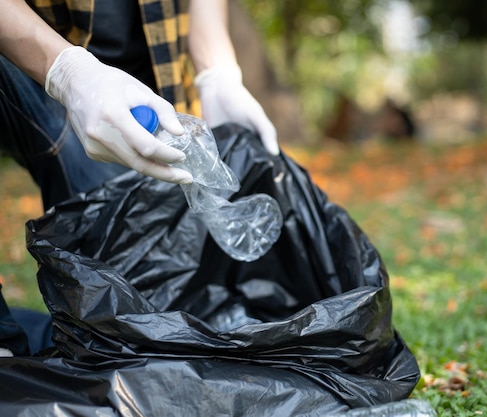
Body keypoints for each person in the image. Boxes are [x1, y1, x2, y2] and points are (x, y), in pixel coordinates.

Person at [0, 0, 278, 356]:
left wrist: (217, 72)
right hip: (26, 58)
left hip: (140, 104)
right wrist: (68, 71)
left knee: (124, 312)